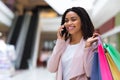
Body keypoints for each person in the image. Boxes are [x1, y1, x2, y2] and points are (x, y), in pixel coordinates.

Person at [47, 7, 100, 80]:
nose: (69, 23)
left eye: (73, 19)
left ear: (82, 21)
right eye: (66, 20)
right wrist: (59, 41)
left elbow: (90, 73)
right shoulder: (63, 44)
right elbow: (51, 68)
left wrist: (88, 47)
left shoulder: (91, 44)